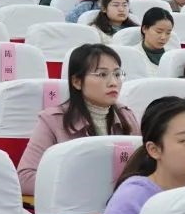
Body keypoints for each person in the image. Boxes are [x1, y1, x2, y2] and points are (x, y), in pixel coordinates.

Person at [16, 44, 140, 195]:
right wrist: (81, 184)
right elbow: (24, 179)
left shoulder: (126, 116)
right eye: (102, 74)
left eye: (117, 74)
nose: (113, 82)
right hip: (75, 205)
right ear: (77, 82)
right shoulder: (53, 121)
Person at [136, 7, 175, 75]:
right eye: (159, 32)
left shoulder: (173, 54)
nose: (163, 37)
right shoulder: (133, 54)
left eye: (168, 33)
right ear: (144, 29)